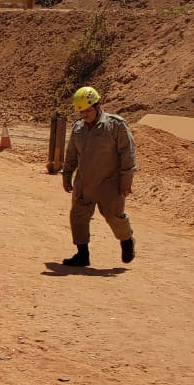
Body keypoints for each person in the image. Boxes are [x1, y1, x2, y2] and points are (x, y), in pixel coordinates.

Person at [61, 85, 136, 267]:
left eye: (87, 111)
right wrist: (67, 174)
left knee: (114, 217)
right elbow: (71, 154)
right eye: (81, 112)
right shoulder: (78, 128)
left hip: (109, 183)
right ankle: (82, 254)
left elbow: (128, 153)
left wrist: (126, 179)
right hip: (84, 183)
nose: (84, 115)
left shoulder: (115, 125)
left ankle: (127, 241)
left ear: (97, 105)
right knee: (78, 216)